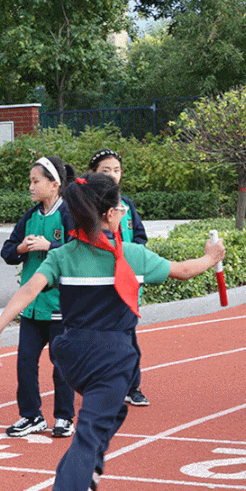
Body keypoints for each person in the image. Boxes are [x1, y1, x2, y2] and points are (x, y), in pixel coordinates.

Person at [0, 173, 225, 491]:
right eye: (119, 208)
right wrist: (213, 256)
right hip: (112, 354)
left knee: (113, 413)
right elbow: (184, 270)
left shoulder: (62, 255)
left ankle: (91, 474)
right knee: (89, 434)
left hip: (71, 354)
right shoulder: (130, 254)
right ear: (112, 214)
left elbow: (29, 290)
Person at [0, 156, 77, 439]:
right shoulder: (30, 216)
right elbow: (7, 252)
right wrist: (21, 247)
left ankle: (64, 417)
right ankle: (31, 416)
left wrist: (51, 245)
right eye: (30, 181)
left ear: (55, 184)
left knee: (61, 366)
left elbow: (79, 249)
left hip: (59, 305)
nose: (31, 187)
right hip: (31, 306)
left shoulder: (68, 213)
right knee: (25, 363)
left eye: (36, 181)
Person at [88, 148, 150, 407]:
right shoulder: (84, 205)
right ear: (92, 174)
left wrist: (133, 258)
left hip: (125, 282)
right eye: (106, 171)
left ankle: (132, 387)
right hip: (96, 283)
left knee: (128, 337)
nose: (113, 176)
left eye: (116, 170)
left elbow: (140, 238)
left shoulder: (126, 205)